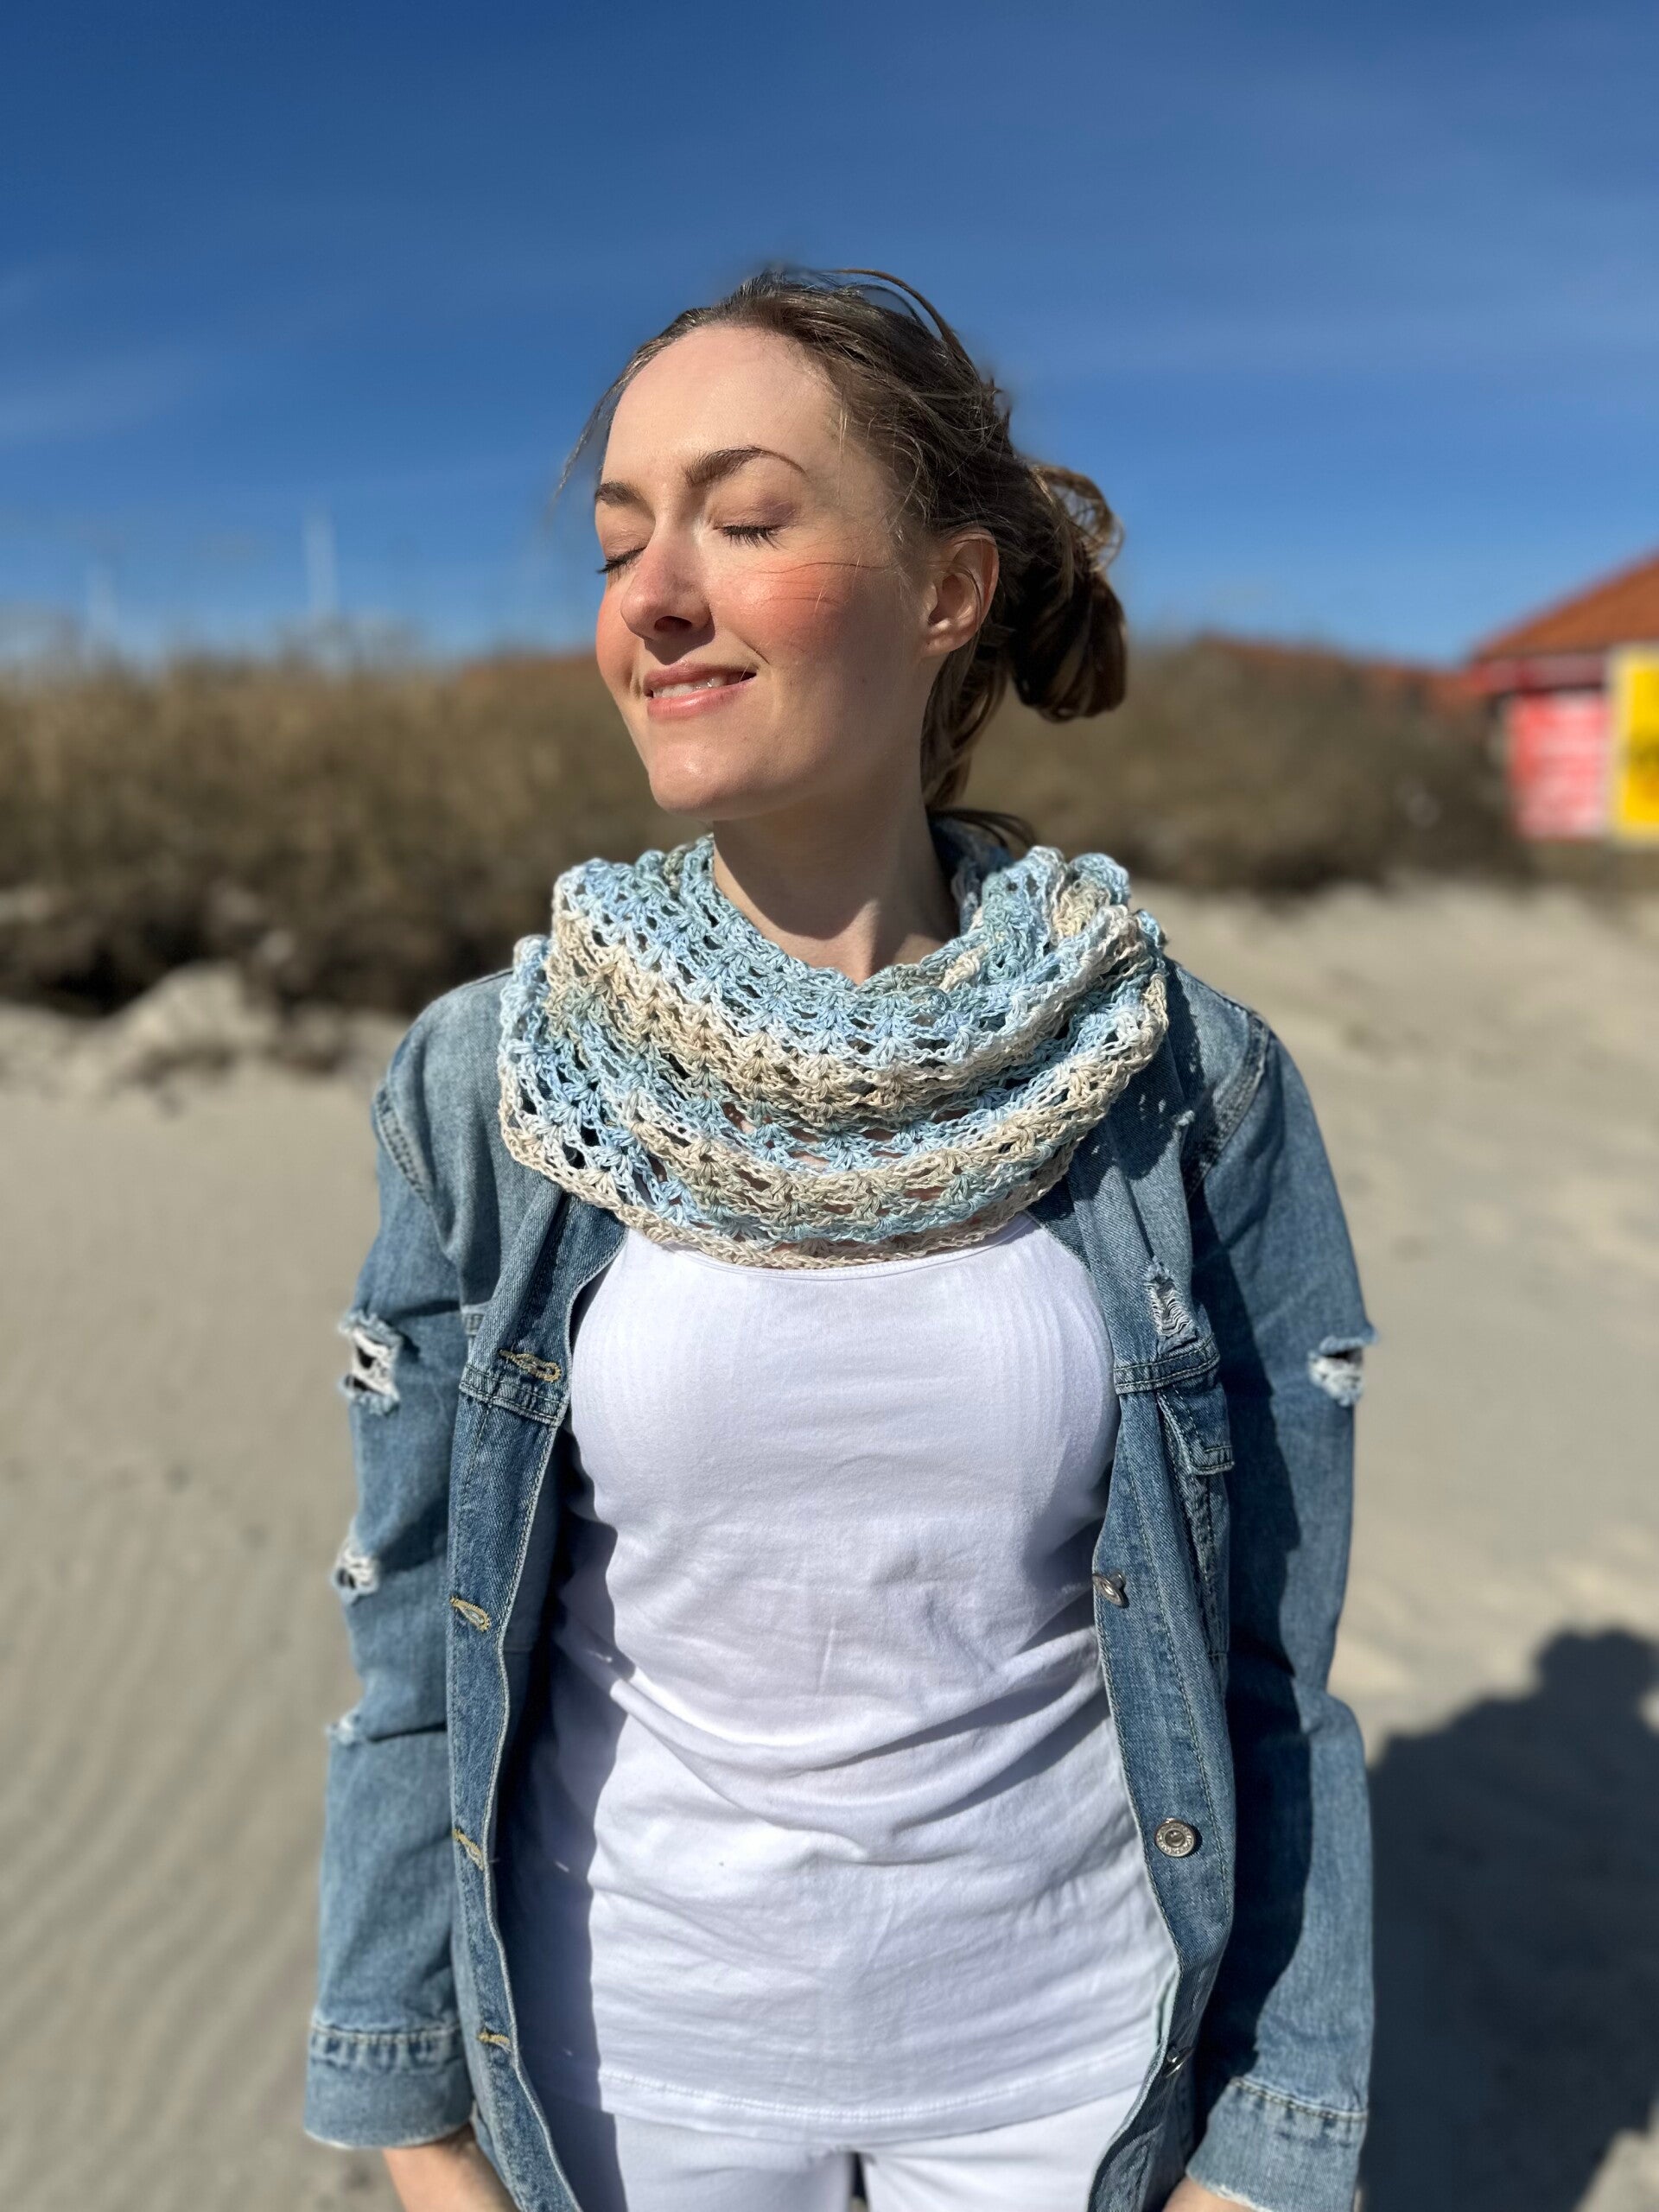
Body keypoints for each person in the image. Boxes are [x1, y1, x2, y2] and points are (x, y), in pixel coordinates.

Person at [303, 270, 1374, 2212]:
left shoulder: (1174, 1076)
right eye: (620, 540)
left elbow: (1270, 1677)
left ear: (948, 589)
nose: (653, 596)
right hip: (627, 2082)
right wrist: (409, 2112)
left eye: (744, 517)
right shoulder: (501, 1080)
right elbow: (416, 1639)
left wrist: (1267, 2149)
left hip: (1069, 2087)